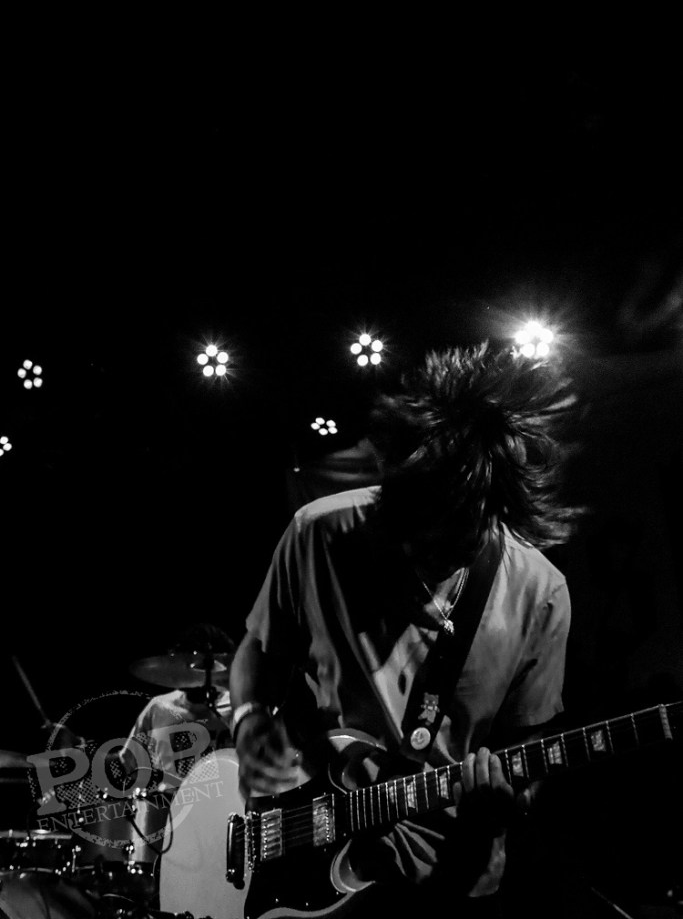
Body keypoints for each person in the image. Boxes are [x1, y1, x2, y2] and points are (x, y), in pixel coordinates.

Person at [229, 343, 578, 917]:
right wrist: (248, 720)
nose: (428, 553)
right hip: (306, 841)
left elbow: (529, 748)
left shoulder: (540, 593)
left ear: (496, 509)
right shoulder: (319, 534)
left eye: (454, 538)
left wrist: (507, 799)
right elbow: (258, 650)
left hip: (450, 869)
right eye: (414, 531)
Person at [119, 623, 234, 865]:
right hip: (171, 821)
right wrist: (79, 747)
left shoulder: (236, 706)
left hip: (228, 818)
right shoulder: (158, 708)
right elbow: (126, 763)